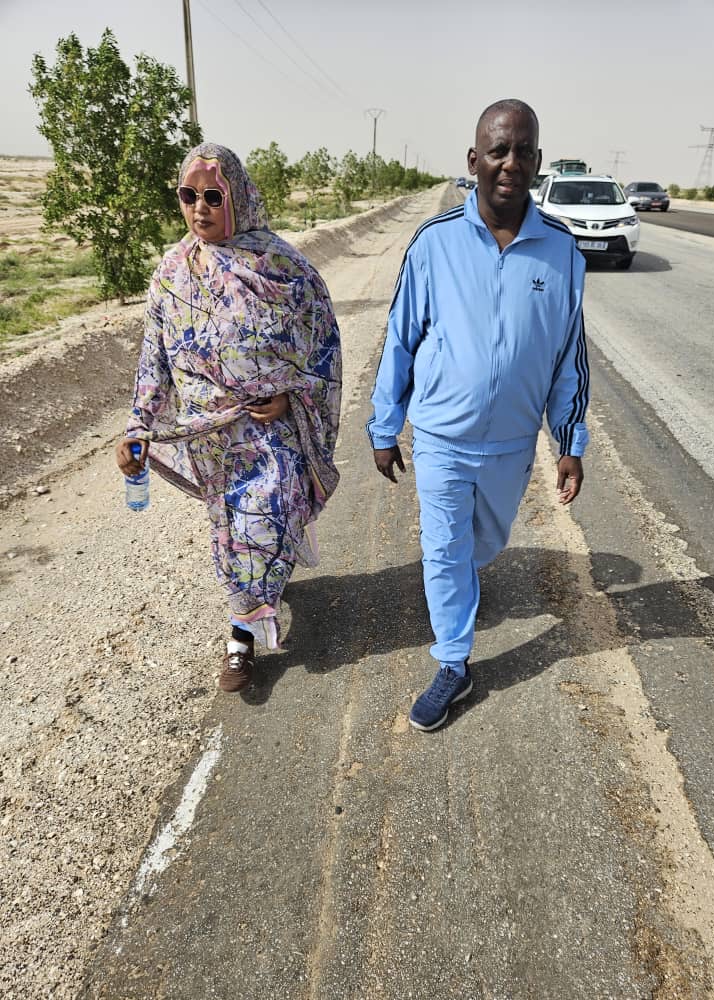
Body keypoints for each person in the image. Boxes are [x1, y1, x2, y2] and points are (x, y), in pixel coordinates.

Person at [367, 99, 589, 732]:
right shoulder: (434, 244)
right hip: (441, 434)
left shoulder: (562, 252)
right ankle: (452, 663)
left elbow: (569, 358)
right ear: (474, 160)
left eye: (523, 151)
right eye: (498, 150)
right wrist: (385, 426)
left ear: (538, 162)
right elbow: (400, 339)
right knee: (444, 548)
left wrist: (569, 441)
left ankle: (463, 585)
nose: (510, 163)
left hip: (512, 443)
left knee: (483, 544)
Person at [115, 143, 342, 692]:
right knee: (233, 532)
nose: (199, 208)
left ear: (237, 197)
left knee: (266, 517)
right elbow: (155, 359)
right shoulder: (173, 273)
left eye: (213, 196)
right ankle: (244, 633)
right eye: (188, 195)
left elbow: (323, 349)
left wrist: (292, 397)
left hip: (273, 432)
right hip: (212, 439)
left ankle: (246, 627)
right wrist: (138, 427)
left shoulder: (282, 268)